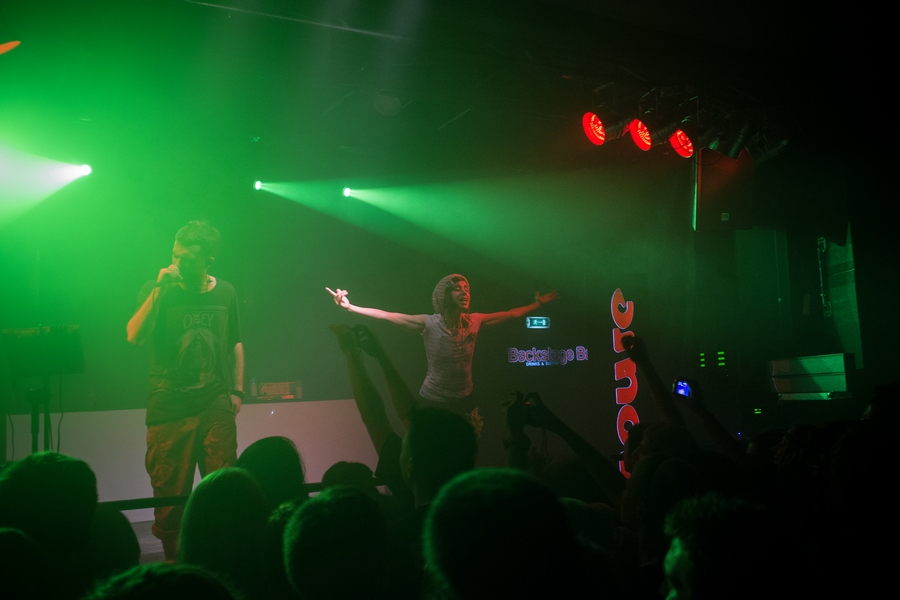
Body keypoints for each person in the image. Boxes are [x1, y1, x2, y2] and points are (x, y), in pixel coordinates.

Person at [126, 220, 243, 562]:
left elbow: (235, 341)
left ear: (208, 260)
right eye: (176, 255)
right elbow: (134, 335)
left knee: (224, 488)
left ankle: (223, 562)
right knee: (170, 495)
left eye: (188, 259)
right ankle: (175, 567)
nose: (178, 263)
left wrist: (237, 391)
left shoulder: (226, 292)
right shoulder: (158, 288)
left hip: (214, 400)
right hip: (169, 405)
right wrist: (158, 290)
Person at [327, 274, 557, 421]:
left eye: (466, 288)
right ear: (444, 295)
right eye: (457, 289)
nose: (464, 292)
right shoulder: (429, 323)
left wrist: (538, 304)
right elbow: (387, 315)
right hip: (433, 400)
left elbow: (512, 314)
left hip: (465, 399)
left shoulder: (474, 321)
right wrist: (350, 307)